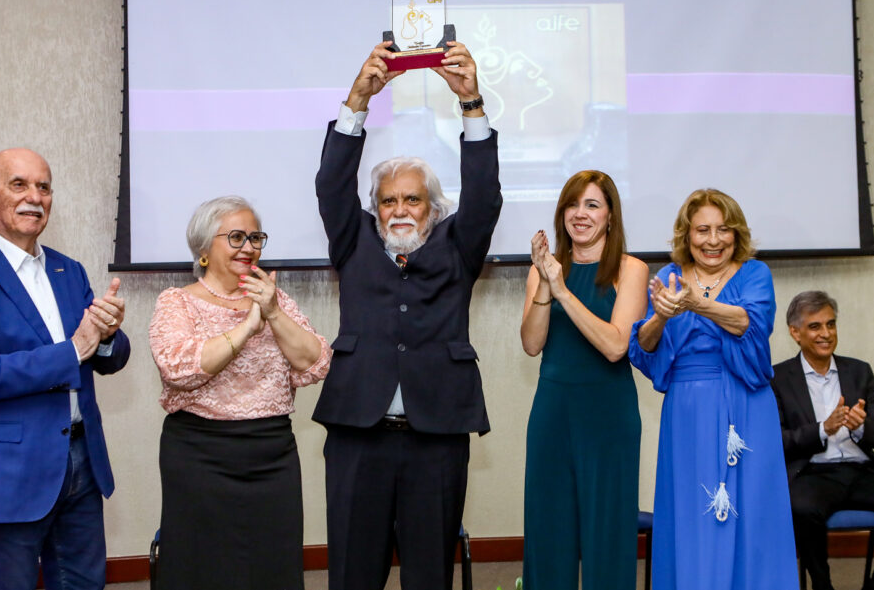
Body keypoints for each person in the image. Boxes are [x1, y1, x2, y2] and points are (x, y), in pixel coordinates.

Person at [312, 41, 500, 590]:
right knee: (352, 572)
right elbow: (330, 185)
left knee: (428, 575)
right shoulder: (354, 242)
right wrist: (357, 102)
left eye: (412, 200)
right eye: (389, 200)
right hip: (357, 433)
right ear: (376, 209)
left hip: (435, 434)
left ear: (433, 210)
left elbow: (485, 197)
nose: (399, 210)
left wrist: (471, 105)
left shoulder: (457, 248)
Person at [0, 148, 131, 590]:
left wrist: (109, 334)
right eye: (19, 184)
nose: (34, 197)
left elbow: (110, 358)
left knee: (84, 584)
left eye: (44, 186)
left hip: (82, 461)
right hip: (9, 473)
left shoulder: (68, 270)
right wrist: (75, 349)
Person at [148, 196, 332, 589]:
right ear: (203, 249)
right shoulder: (176, 302)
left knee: (272, 565)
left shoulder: (274, 300)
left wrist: (272, 313)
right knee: (204, 567)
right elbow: (180, 368)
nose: (249, 247)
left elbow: (316, 362)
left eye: (255, 237)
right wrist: (247, 327)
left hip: (272, 454)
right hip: (200, 454)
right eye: (235, 237)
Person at [627, 188, 797, 590]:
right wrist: (661, 316)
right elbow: (644, 347)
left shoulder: (755, 274)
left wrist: (694, 303)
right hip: (688, 413)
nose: (713, 240)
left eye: (723, 230)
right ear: (687, 236)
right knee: (691, 512)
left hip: (747, 408)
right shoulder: (668, 278)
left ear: (737, 234)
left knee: (753, 513)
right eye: (702, 230)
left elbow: (747, 324)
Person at [518, 170, 647, 590]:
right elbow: (532, 344)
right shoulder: (542, 271)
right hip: (553, 411)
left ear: (610, 216)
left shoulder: (631, 270)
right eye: (572, 205)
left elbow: (614, 346)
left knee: (607, 532)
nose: (580, 214)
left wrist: (562, 288)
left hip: (608, 414)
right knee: (548, 528)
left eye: (592, 205)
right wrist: (546, 283)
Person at [771, 291, 874, 590]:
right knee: (801, 509)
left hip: (862, 470)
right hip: (812, 472)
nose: (826, 334)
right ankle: (823, 586)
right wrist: (823, 429)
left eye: (831, 324)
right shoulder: (778, 378)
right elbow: (777, 441)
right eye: (815, 327)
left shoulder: (859, 371)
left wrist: (860, 427)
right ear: (795, 333)